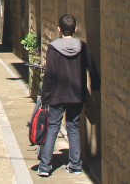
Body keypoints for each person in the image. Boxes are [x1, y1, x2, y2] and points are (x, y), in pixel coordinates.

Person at [37, 14, 100, 177]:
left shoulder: (53, 48)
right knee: (73, 128)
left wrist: (45, 98)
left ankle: (44, 166)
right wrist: (95, 89)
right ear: (75, 29)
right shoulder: (82, 47)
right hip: (77, 95)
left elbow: (49, 74)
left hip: (57, 95)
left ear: (59, 29)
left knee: (53, 128)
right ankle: (75, 165)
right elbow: (92, 68)